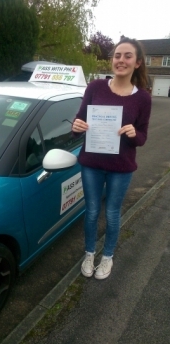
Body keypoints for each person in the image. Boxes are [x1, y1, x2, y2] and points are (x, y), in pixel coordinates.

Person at [72, 37, 152, 280]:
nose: (121, 60)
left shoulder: (143, 98)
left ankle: (107, 257)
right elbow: (77, 124)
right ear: (112, 60)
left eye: (127, 56)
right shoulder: (95, 87)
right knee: (92, 211)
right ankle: (89, 253)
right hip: (92, 165)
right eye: (117, 55)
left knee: (112, 213)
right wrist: (77, 126)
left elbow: (143, 137)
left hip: (121, 168)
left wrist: (133, 133)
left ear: (137, 63)